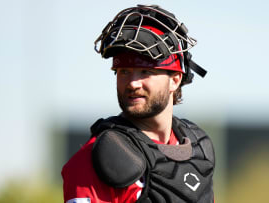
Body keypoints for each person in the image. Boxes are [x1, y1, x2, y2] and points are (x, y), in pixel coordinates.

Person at [62, 4, 215, 203]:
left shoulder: (200, 149)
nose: (133, 83)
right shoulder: (94, 161)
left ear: (175, 79)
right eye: (124, 71)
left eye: (145, 72)